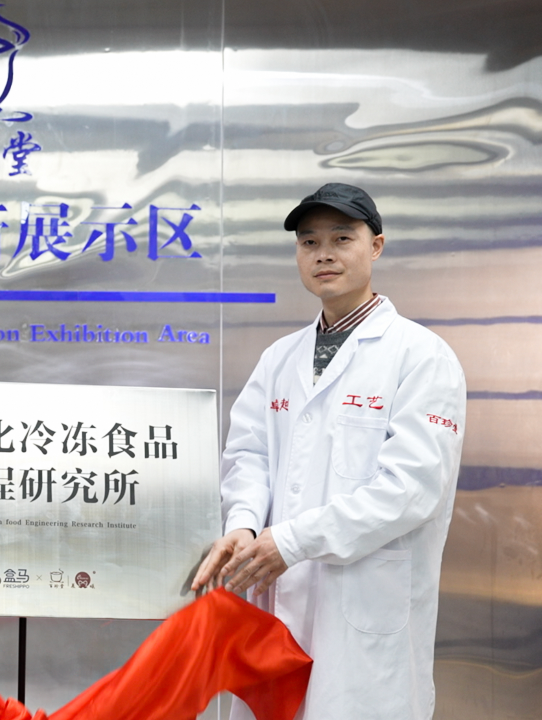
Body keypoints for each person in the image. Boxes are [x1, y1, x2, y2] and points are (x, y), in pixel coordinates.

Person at [191, 183, 465, 720]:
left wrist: (293, 541)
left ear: (376, 246)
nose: (324, 254)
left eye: (342, 238)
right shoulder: (279, 358)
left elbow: (413, 488)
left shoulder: (422, 356)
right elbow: (249, 454)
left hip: (365, 613)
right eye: (309, 242)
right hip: (275, 606)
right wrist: (245, 524)